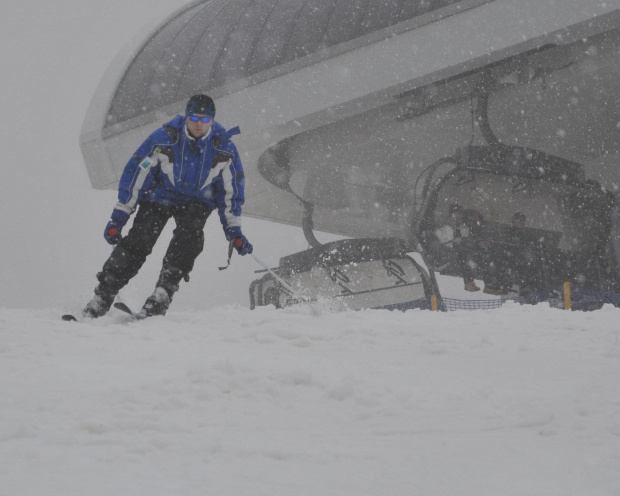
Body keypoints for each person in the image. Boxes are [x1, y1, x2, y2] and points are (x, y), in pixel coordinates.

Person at [81, 94, 253, 318]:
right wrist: (118, 218)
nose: (198, 124)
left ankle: (162, 294)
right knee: (140, 238)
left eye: (204, 119)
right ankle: (103, 295)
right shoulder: (163, 140)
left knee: (189, 237)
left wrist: (234, 230)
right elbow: (136, 177)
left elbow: (232, 192)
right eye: (193, 118)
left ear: (212, 120)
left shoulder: (224, 150)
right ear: (186, 117)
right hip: (159, 197)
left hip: (197, 201)